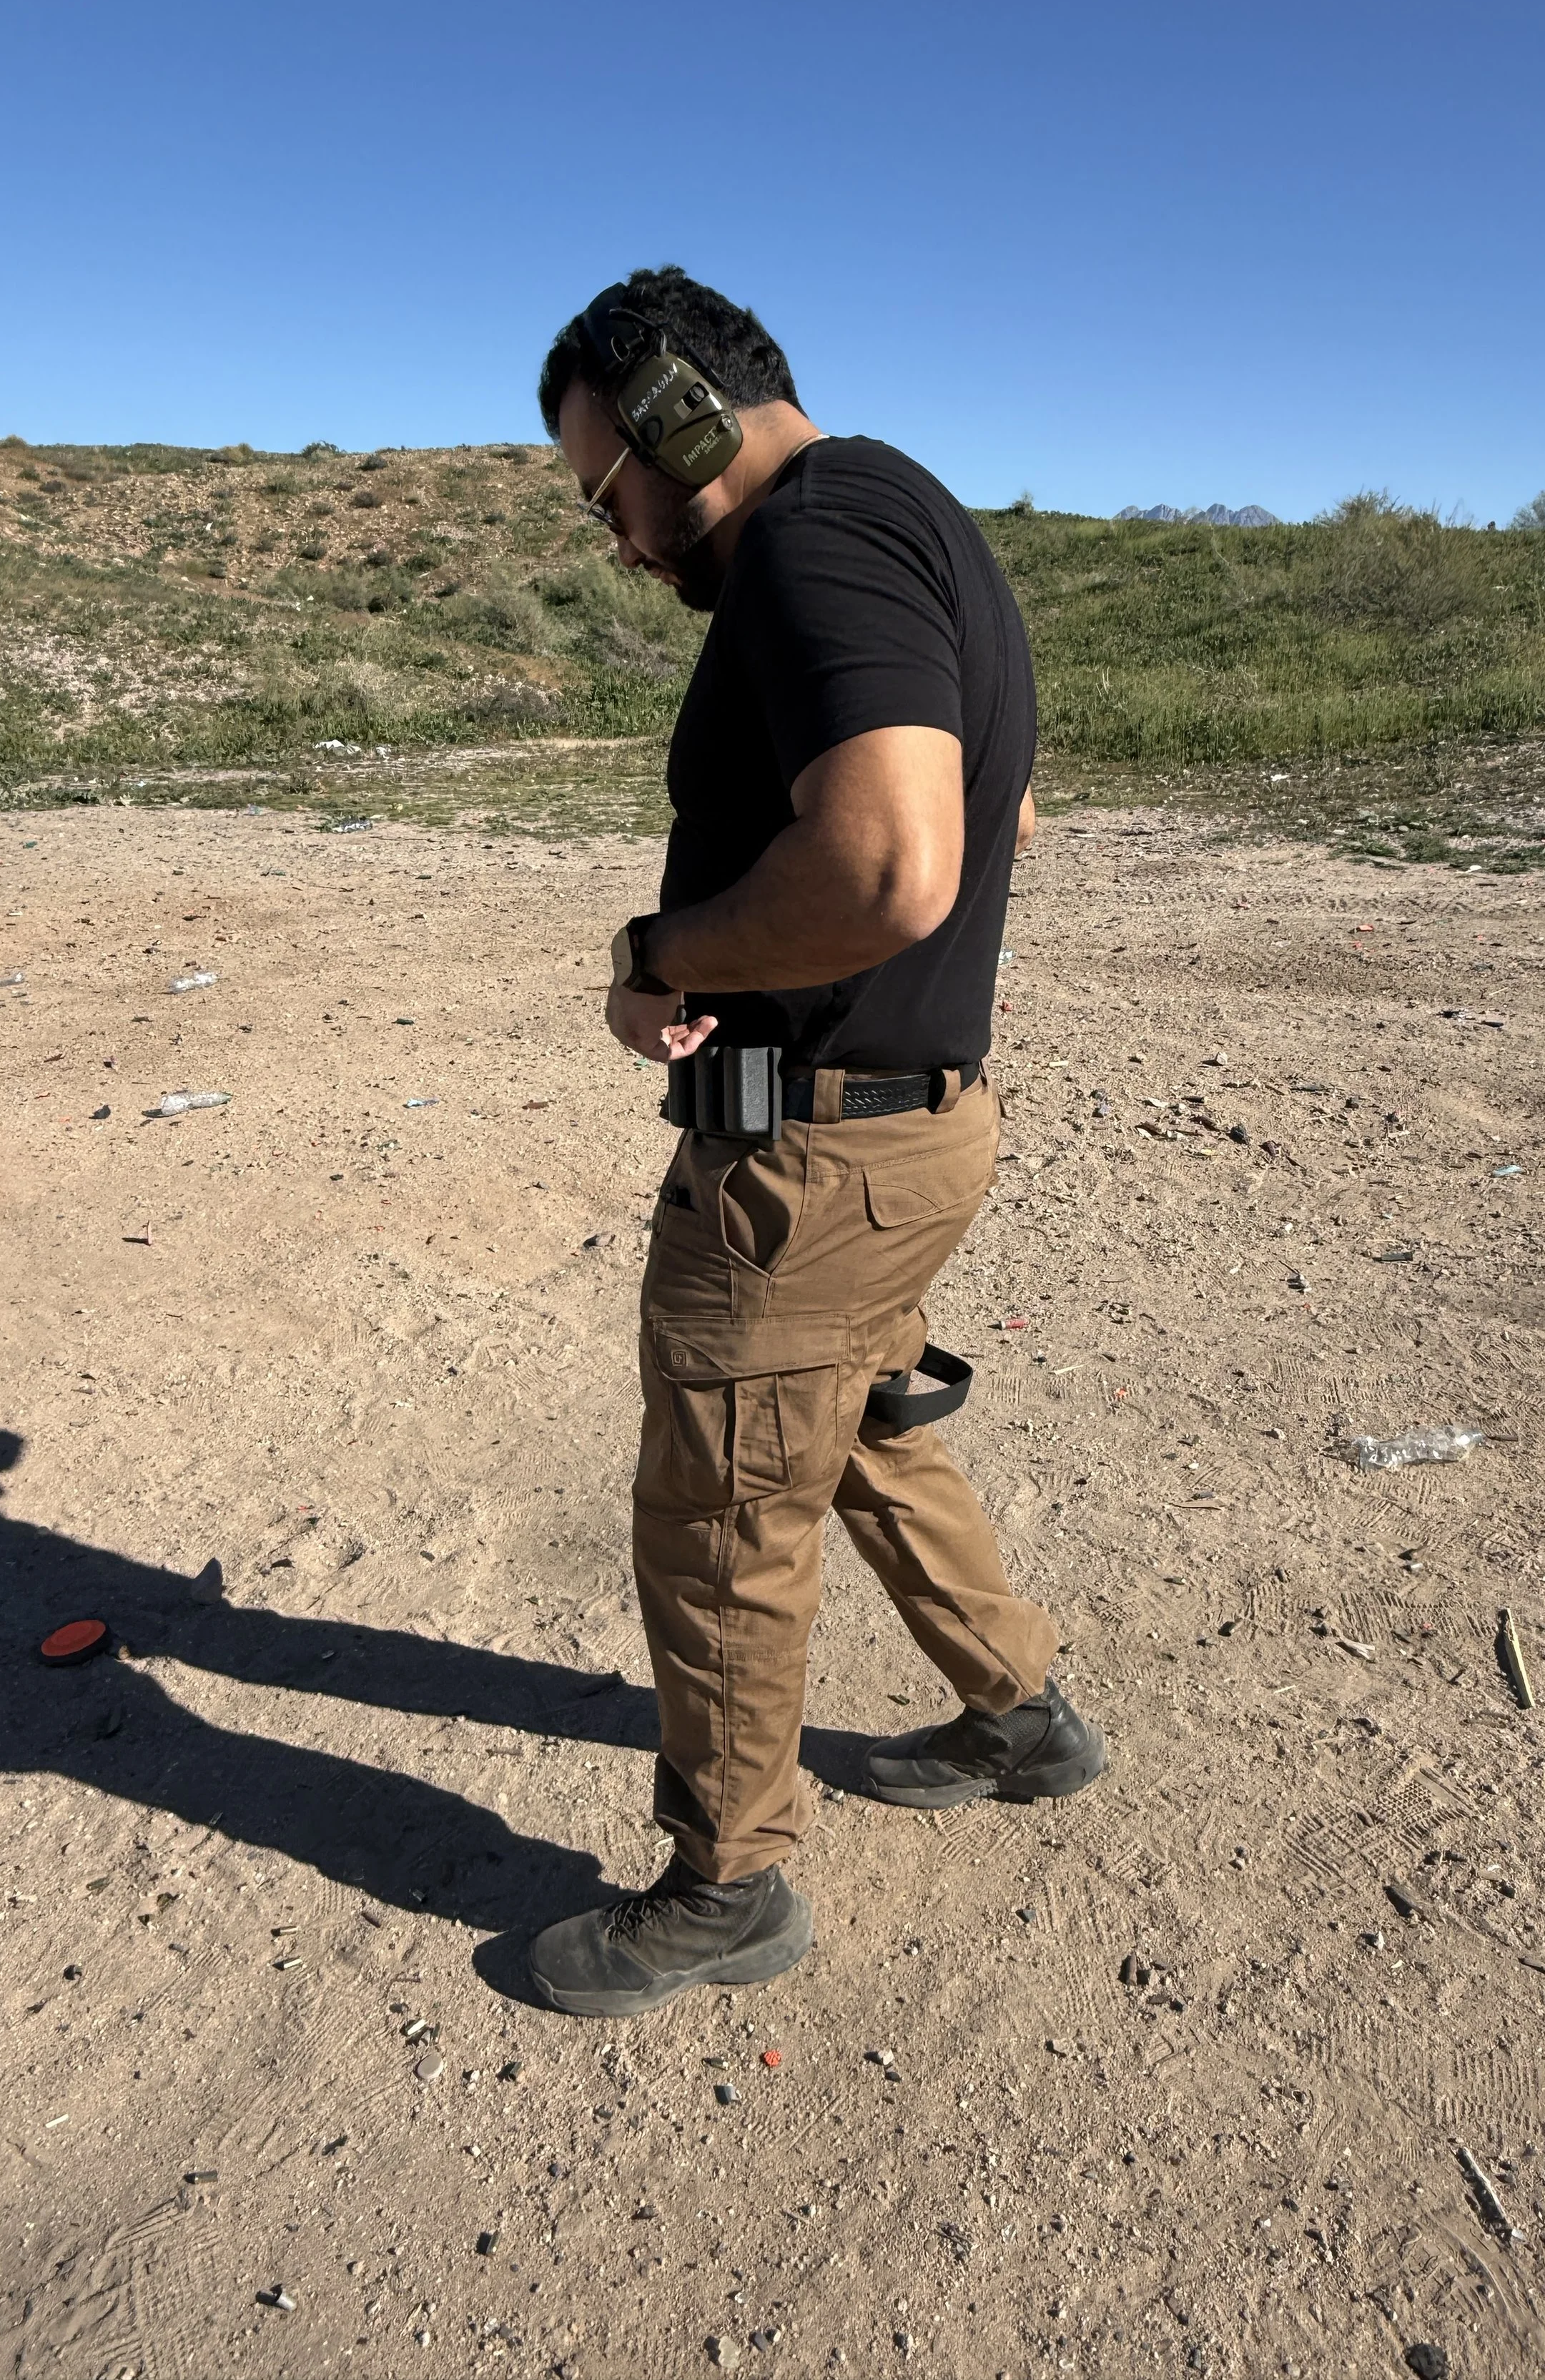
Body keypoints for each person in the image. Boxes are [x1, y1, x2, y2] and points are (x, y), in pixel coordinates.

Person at [526, 269, 1105, 2019]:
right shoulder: (912, 512)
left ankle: (726, 1884)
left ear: (676, 417)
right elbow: (996, 803)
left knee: (717, 1506)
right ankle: (1017, 1714)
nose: (616, 537)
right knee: (849, 1422)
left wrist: (666, 955)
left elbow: (885, 865)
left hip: (811, 1161)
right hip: (911, 1130)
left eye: (601, 487)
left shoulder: (806, 545)